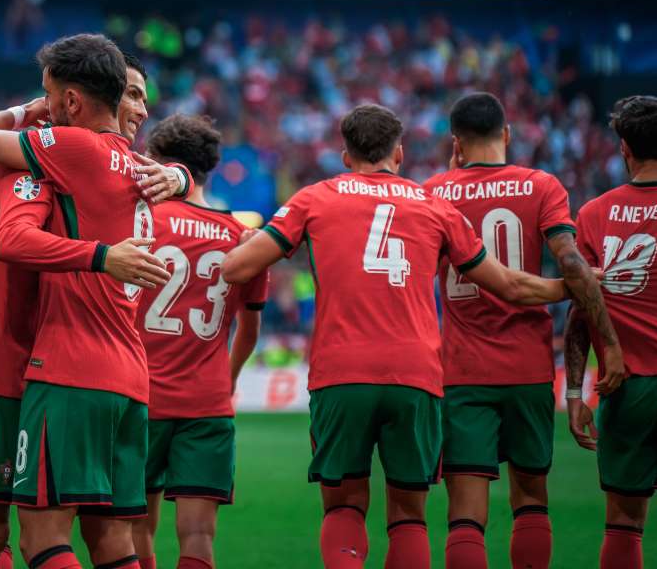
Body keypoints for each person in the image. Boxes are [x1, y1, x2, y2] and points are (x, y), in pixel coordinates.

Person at [221, 104, 573, 569]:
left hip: (341, 374)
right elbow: (509, 286)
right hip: (416, 376)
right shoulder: (435, 205)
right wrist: (574, 286)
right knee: (409, 516)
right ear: (400, 153)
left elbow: (235, 269)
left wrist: (257, 242)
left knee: (344, 507)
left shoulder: (314, 198)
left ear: (345, 156)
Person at [0, 33, 189, 569]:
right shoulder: (144, 169)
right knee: (113, 542)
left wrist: (22, 113)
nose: (48, 105)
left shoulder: (74, 148)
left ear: (73, 101)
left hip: (69, 371)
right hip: (131, 379)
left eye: (51, 95)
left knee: (40, 538)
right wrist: (181, 174)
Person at [424, 92, 623, 569]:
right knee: (531, 501)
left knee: (465, 515)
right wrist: (597, 320)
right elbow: (570, 261)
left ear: (456, 143)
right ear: (507, 134)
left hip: (463, 371)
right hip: (529, 369)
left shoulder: (433, 192)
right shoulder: (542, 185)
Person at [130, 115, 268, 569]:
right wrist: (228, 378)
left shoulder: (142, 223)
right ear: (209, 167)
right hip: (206, 402)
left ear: (157, 162)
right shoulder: (244, 238)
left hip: (139, 395)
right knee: (198, 535)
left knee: (134, 530)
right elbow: (249, 328)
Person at [565, 95, 657, 569]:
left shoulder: (593, 213)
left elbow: (580, 311)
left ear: (624, 148)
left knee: (623, 523)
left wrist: (574, 391)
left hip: (624, 384)